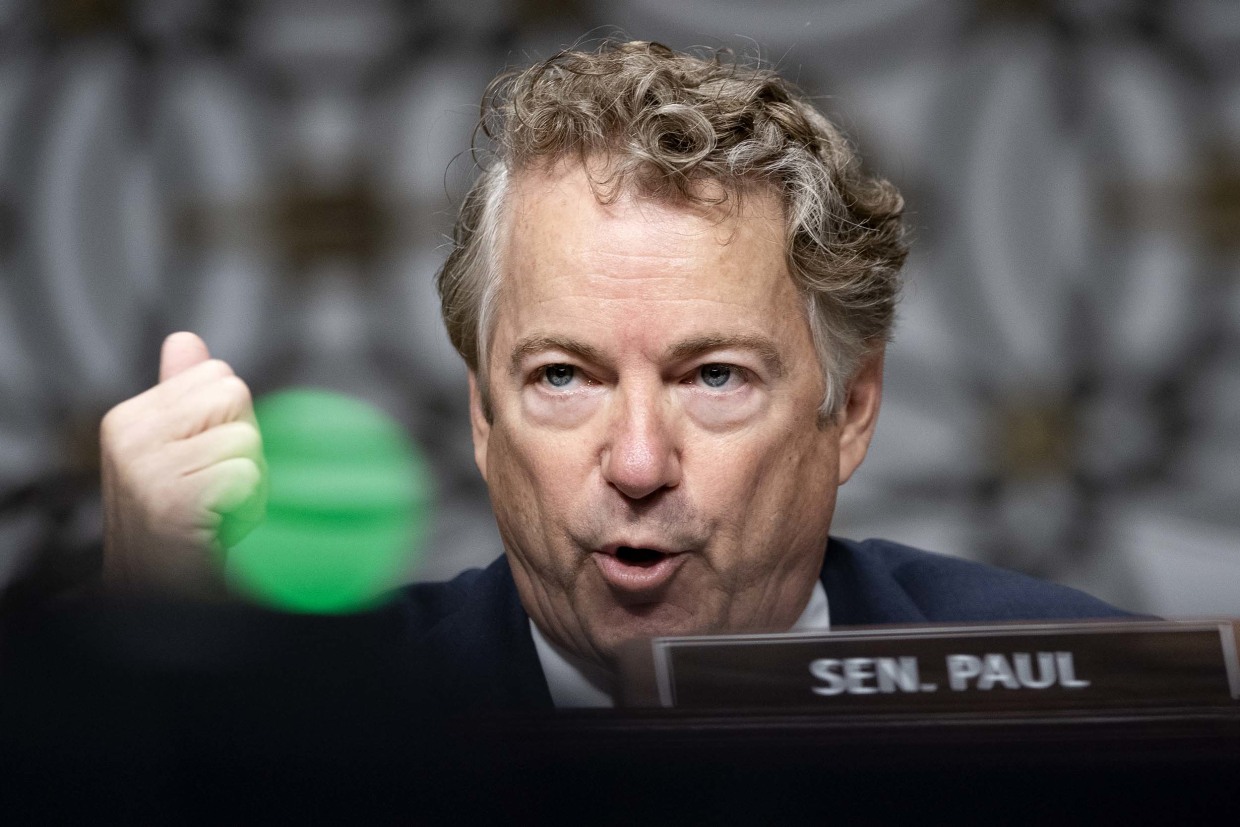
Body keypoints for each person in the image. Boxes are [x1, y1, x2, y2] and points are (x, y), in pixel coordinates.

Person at [99, 41, 1129, 710]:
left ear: (850, 409)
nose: (637, 463)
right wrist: (145, 647)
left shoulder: (1085, 695)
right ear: (482, 414)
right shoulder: (315, 720)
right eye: (563, 376)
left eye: (714, 377)